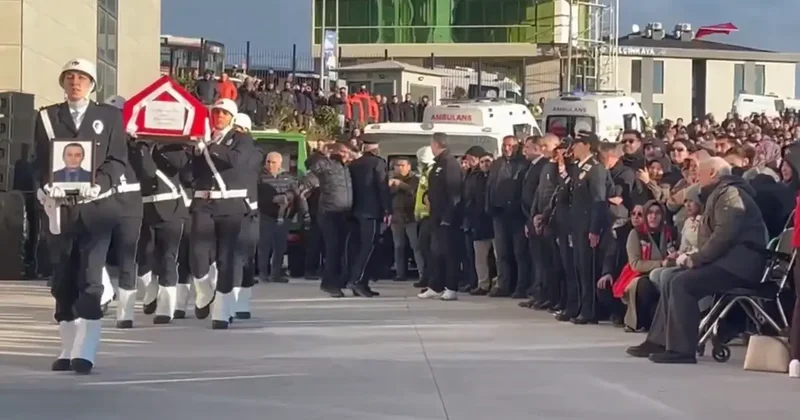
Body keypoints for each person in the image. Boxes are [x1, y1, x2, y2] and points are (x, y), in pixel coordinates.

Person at [34, 58, 128, 374]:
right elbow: (38, 161)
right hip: (60, 209)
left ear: (92, 85)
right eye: (70, 77)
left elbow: (117, 161)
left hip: (95, 209)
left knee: (90, 278)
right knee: (62, 280)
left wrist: (98, 184)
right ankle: (67, 347)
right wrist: (42, 187)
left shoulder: (109, 117)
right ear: (63, 82)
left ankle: (85, 351)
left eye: (82, 78)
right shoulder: (48, 117)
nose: (75, 82)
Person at [627, 157, 767, 363]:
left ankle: (682, 349)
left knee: (682, 283)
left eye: (699, 173)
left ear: (712, 173)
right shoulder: (720, 193)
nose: (695, 178)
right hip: (725, 263)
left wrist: (697, 259)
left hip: (738, 268)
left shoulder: (730, 195)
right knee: (668, 276)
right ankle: (660, 340)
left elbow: (723, 236)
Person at [190, 98, 256, 330]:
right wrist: (195, 152)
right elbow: (192, 174)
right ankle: (204, 291)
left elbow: (236, 160)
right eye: (216, 112)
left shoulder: (241, 138)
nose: (219, 117)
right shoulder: (202, 137)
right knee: (197, 253)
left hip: (231, 204)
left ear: (231, 117)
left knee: (226, 258)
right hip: (204, 201)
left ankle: (222, 310)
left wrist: (210, 146)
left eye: (224, 113)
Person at [100, 96, 144, 328]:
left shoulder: (136, 143)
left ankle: (125, 313)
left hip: (129, 204)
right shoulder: (98, 138)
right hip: (103, 201)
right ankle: (105, 293)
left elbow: (148, 173)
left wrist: (139, 145)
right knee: (95, 255)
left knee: (127, 260)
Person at [302, 142, 354, 298]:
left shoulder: (346, 168)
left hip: (343, 212)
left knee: (340, 250)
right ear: (334, 152)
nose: (346, 154)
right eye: (342, 151)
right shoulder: (327, 165)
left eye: (347, 152)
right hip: (330, 212)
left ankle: (337, 281)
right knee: (333, 249)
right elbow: (309, 163)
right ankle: (329, 284)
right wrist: (321, 151)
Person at [568, 132, 609, 324]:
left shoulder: (595, 169)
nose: (573, 147)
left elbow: (598, 201)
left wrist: (594, 229)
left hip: (587, 227)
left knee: (587, 268)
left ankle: (590, 310)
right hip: (577, 225)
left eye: (577, 144)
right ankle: (580, 306)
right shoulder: (579, 168)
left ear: (587, 145)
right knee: (578, 267)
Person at [418, 133, 463, 301]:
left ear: (436, 144)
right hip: (435, 216)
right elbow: (436, 189)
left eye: (431, 143)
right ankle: (435, 286)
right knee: (435, 253)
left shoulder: (449, 164)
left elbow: (454, 193)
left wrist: (448, 217)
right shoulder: (438, 164)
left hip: (446, 218)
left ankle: (451, 287)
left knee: (449, 253)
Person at [346, 138, 392, 297]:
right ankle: (357, 280)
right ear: (376, 149)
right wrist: (388, 210)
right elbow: (382, 187)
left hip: (355, 211)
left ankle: (362, 283)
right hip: (372, 212)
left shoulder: (354, 164)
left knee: (358, 248)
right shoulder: (378, 163)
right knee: (368, 247)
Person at [486, 135, 528, 297]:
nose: (507, 148)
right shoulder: (497, 163)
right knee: (502, 253)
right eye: (505, 145)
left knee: (519, 253)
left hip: (517, 215)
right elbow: (490, 185)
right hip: (499, 214)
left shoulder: (524, 164)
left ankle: (521, 286)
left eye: (511, 145)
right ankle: (504, 285)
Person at [233, 113, 264, 320]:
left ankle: (236, 301)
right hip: (249, 209)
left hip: (242, 209)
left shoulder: (247, 152)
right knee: (244, 259)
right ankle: (241, 303)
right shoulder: (256, 152)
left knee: (237, 258)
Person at [257, 151, 297, 283]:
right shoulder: (260, 177)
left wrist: (287, 197)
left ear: (280, 163)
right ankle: (263, 273)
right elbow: (256, 194)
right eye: (268, 161)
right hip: (266, 215)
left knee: (280, 246)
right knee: (264, 246)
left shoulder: (288, 177)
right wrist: (272, 199)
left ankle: (276, 274)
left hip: (283, 216)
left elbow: (295, 191)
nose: (270, 165)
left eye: (273, 162)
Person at [389, 157, 421, 282]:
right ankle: (400, 273)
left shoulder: (415, 179)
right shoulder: (390, 180)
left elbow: (414, 192)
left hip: (411, 217)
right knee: (398, 246)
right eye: (397, 165)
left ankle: (422, 274)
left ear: (409, 167)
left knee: (416, 246)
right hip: (396, 218)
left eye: (402, 165)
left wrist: (401, 185)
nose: (399, 168)